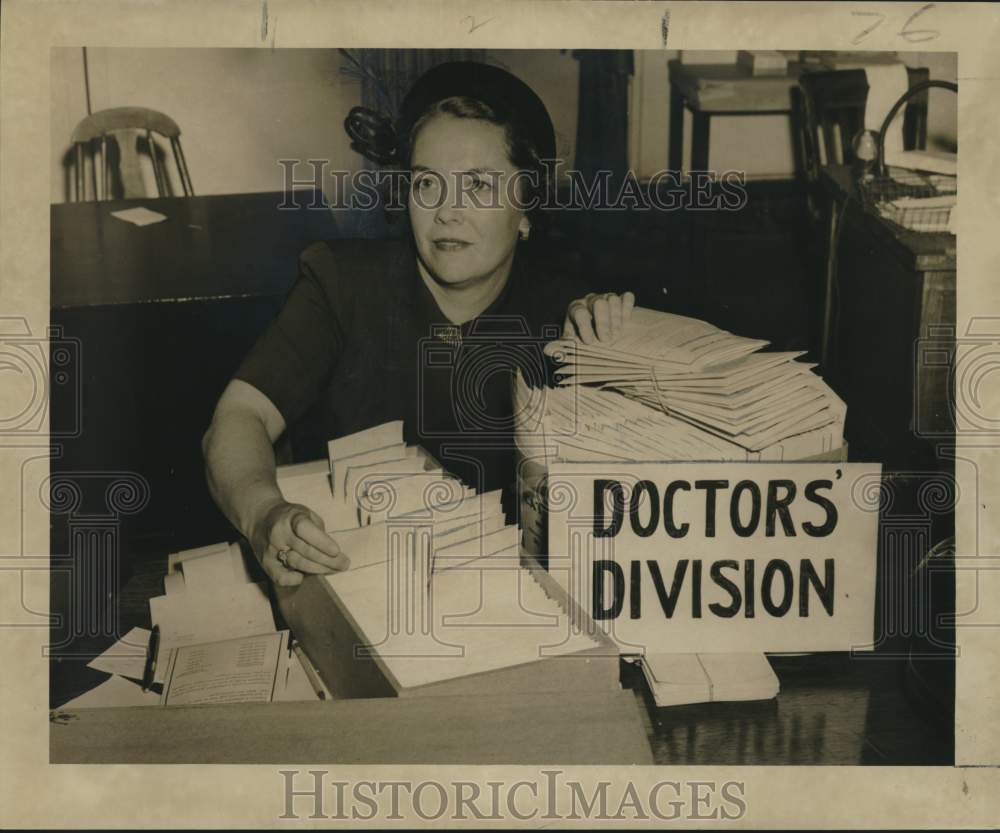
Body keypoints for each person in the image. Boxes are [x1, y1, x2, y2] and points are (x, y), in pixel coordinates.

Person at [203, 61, 633, 587]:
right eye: (427, 184)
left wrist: (625, 348)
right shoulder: (343, 285)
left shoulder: (567, 316)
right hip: (355, 584)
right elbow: (239, 415)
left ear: (528, 208)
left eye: (478, 185)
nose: (447, 211)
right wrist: (265, 514)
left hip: (506, 603)